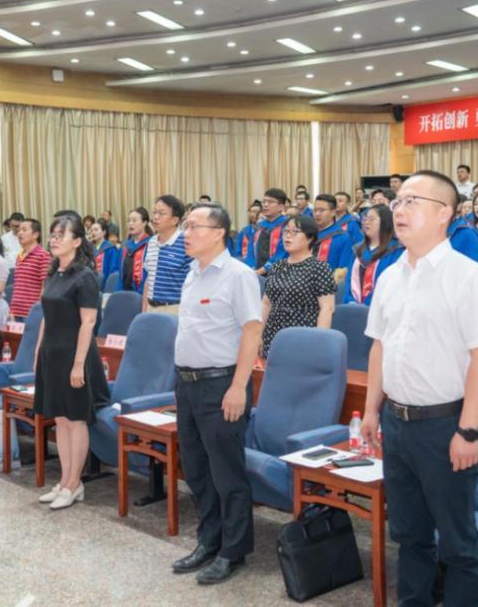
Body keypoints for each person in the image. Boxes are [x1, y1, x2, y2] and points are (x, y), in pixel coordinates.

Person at [360, 170, 478, 606]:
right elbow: (379, 347)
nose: (399, 210)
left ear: (444, 213)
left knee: (458, 546)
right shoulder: (390, 275)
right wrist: (371, 410)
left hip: (445, 426)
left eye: (411, 202)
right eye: (397, 202)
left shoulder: (468, 276)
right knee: (410, 536)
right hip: (396, 423)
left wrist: (468, 431)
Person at [171, 202, 262, 585]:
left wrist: (238, 387)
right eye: (186, 226)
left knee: (226, 472)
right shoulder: (193, 273)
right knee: (196, 470)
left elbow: (252, 332)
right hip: (187, 384)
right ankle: (209, 540)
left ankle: (233, 551)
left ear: (218, 232)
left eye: (194, 226)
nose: (186, 233)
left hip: (221, 384)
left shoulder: (238, 275)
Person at [32, 214, 110, 509]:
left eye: (60, 235)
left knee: (76, 420)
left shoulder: (85, 276)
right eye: (52, 235)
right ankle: (65, 480)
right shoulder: (54, 273)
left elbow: (88, 323)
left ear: (77, 241)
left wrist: (78, 365)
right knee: (60, 420)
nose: (54, 240)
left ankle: (75, 483)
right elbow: (45, 318)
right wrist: (38, 352)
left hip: (75, 355)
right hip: (52, 354)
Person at [260, 214, 336, 357]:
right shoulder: (277, 266)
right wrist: (258, 334)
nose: (288, 236)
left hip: (304, 339)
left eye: (295, 232)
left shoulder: (319, 268)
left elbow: (327, 308)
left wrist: (319, 343)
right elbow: (266, 303)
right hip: (273, 337)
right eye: (286, 231)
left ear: (310, 237)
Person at [343, 205, 403, 306]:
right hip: (353, 308)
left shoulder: (396, 251)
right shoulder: (358, 250)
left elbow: (392, 284)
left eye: (371, 219)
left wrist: (368, 304)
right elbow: (349, 281)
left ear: (385, 222)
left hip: (381, 307)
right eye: (365, 219)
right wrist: (351, 301)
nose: (366, 222)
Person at [143, 195, 193, 314]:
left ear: (175, 220)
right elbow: (149, 279)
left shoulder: (186, 243)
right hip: (151, 308)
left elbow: (194, 282)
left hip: (175, 309)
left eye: (161, 213)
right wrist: (144, 310)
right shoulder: (152, 242)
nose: (155, 217)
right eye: (154, 212)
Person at [10, 218, 51, 320]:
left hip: (32, 313)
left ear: (36, 235)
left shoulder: (43, 256)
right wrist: (12, 310)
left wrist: (38, 311)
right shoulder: (19, 256)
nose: (20, 233)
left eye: (24, 230)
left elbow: (45, 287)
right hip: (15, 312)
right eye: (19, 230)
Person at [244, 188, 289, 274]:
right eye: (264, 202)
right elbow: (250, 251)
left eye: (270, 202)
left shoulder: (287, 226)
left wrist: (260, 271)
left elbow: (282, 254)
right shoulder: (259, 226)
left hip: (279, 274)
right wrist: (251, 269)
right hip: (256, 273)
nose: (265, 205)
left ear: (281, 207)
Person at [311, 194, 354, 280]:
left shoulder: (343, 238)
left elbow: (343, 271)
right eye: (315, 210)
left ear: (333, 212)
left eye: (321, 210)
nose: (317, 214)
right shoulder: (307, 234)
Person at [119, 207, 152, 294]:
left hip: (143, 295)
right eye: (129, 221)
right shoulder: (125, 246)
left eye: (134, 220)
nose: (130, 223)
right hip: (125, 293)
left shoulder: (151, 245)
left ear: (144, 223)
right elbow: (120, 274)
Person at [89, 218, 122, 286]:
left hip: (106, 284)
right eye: (91, 230)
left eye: (96, 230)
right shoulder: (89, 248)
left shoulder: (110, 248)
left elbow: (113, 270)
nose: (93, 232)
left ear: (104, 232)